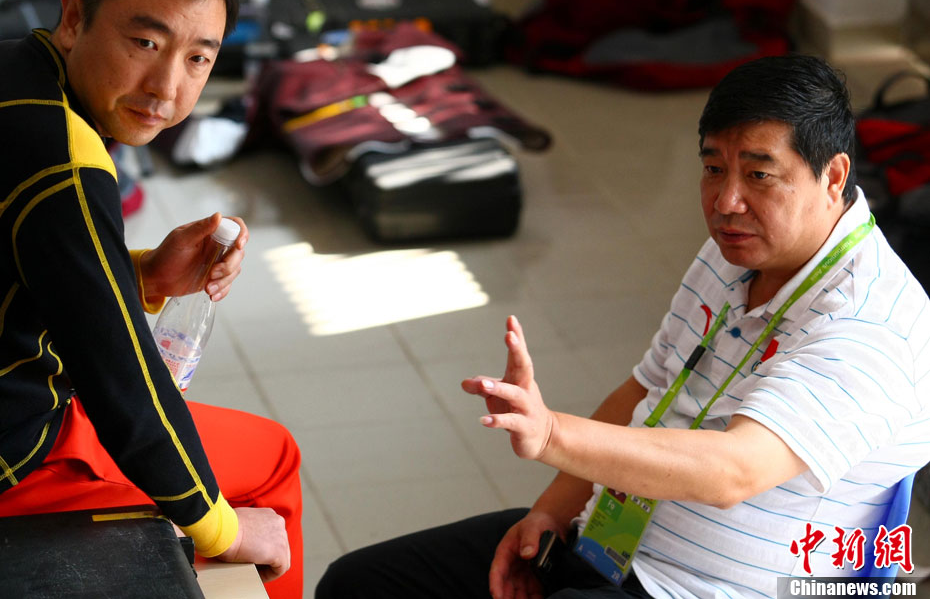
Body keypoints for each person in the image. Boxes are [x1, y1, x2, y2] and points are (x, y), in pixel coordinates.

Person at [315, 55, 930, 599]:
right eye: (713, 168)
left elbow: (733, 470)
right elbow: (645, 389)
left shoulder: (868, 325)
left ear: (833, 176)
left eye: (759, 174)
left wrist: (551, 433)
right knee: (360, 584)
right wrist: (552, 511)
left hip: (709, 587)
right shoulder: (736, 249)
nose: (726, 202)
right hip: (608, 541)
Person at [0, 0, 303, 597]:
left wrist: (139, 276)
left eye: (198, 58)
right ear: (74, 17)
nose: (167, 87)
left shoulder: (14, 70)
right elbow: (123, 383)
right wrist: (223, 531)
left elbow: (31, 269)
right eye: (145, 42)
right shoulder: (65, 163)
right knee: (272, 459)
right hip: (14, 451)